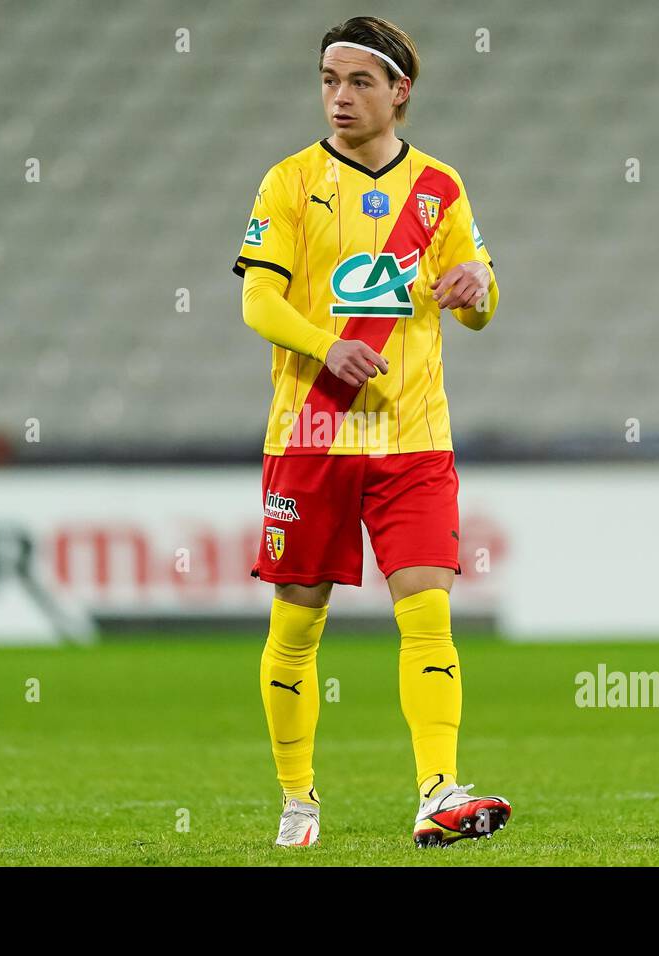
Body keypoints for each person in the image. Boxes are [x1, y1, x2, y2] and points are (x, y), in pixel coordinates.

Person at [232, 16, 509, 848]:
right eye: (328, 80)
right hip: (313, 434)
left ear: (400, 92)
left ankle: (436, 791)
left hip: (415, 440)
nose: (339, 96)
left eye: (358, 82)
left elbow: (483, 308)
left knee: (428, 615)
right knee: (297, 624)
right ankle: (297, 799)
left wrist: (478, 284)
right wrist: (329, 345)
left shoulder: (441, 189)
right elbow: (256, 302)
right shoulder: (288, 182)